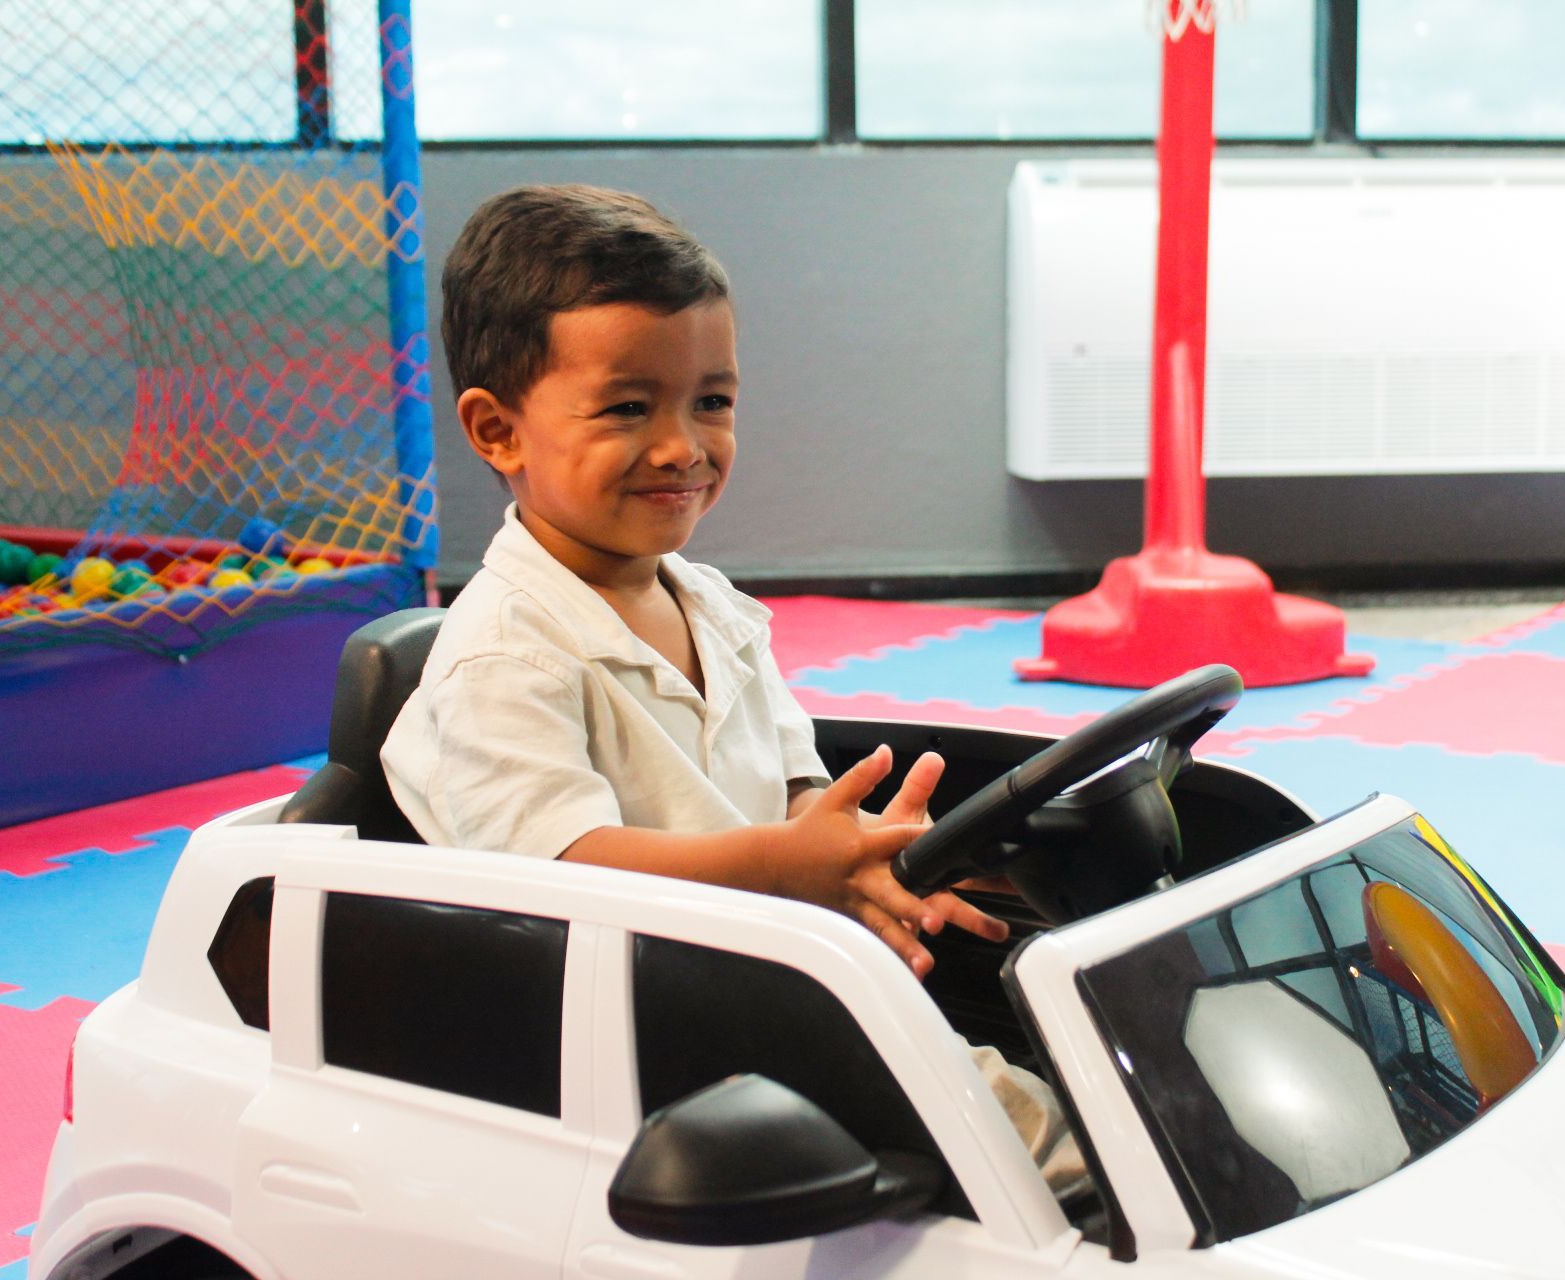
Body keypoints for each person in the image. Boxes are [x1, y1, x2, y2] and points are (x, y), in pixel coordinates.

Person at [381, 183, 1082, 1192]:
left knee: (1063, 1045)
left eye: (712, 400)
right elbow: (560, 873)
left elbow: (793, 792)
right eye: (629, 406)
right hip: (655, 1036)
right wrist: (785, 867)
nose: (684, 445)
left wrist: (862, 858)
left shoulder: (713, 607)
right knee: (1020, 1142)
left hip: (781, 976)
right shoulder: (505, 656)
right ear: (498, 432)